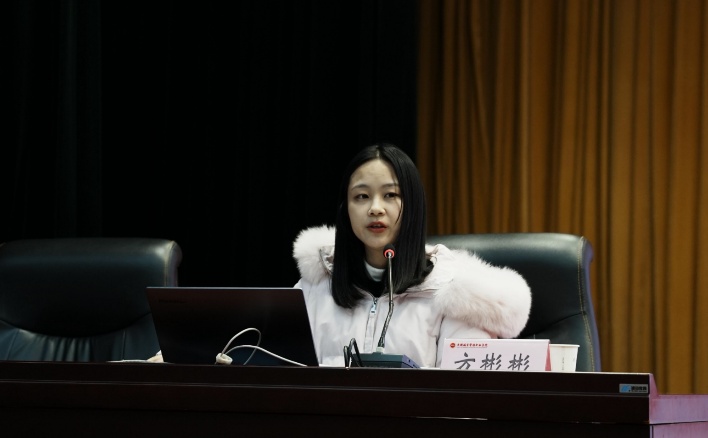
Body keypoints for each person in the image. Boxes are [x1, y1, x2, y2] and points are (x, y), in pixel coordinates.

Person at [293, 143, 532, 368]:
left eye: (390, 195)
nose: (375, 208)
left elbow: (465, 392)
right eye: (361, 196)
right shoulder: (313, 289)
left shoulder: (455, 296)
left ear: (413, 206)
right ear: (345, 209)